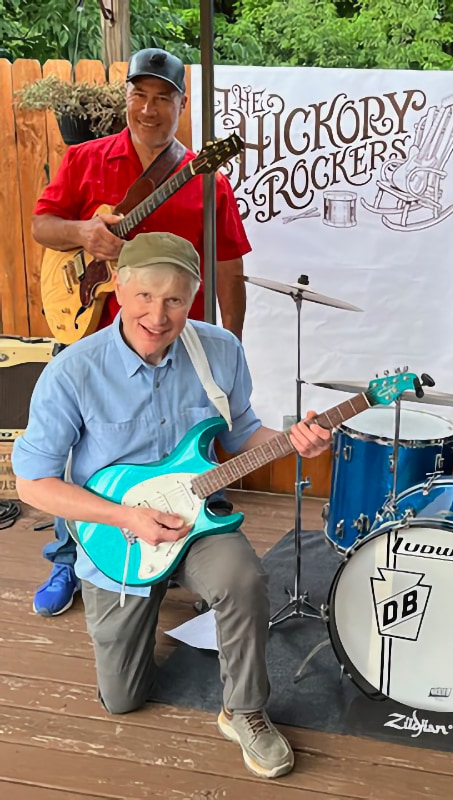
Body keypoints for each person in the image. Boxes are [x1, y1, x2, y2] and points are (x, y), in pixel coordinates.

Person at [12, 232, 331, 780]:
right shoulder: (73, 371)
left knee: (244, 579)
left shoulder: (220, 351)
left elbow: (242, 434)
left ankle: (244, 710)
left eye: (174, 301)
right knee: (122, 699)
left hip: (198, 519)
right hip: (118, 534)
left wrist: (295, 441)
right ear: (118, 288)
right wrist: (127, 517)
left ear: (193, 297)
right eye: (144, 297)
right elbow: (32, 485)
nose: (158, 316)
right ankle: (152, 596)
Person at [30, 47, 251, 617]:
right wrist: (83, 233)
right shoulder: (85, 159)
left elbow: (228, 267)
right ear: (126, 97)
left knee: (175, 447)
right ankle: (70, 556)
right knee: (81, 453)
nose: (149, 109)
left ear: (182, 104)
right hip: (93, 332)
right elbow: (42, 226)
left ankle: (176, 550)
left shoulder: (206, 178)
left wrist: (233, 342)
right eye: (139, 95)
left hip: (172, 339)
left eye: (163, 98)